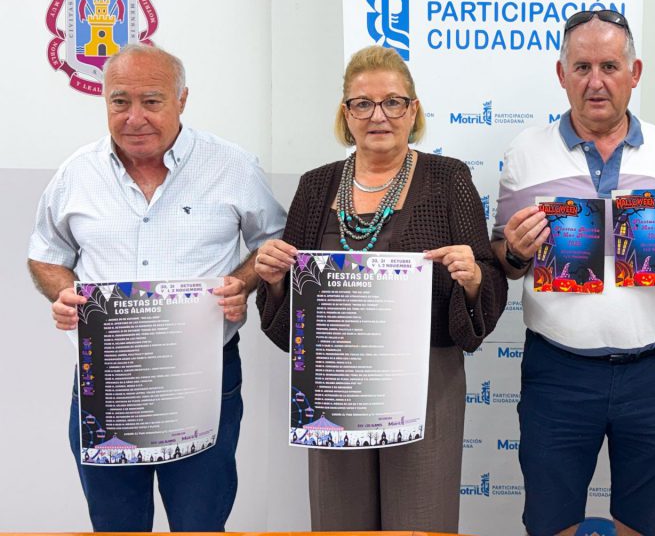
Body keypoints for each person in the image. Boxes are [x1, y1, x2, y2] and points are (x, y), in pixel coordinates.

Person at [27, 43, 286, 532]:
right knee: (115, 525)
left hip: (205, 374)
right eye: (120, 101)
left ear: (182, 100)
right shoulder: (76, 173)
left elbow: (271, 244)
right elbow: (45, 255)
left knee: (200, 524)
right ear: (104, 100)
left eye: (152, 101)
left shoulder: (232, 166)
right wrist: (63, 292)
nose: (135, 117)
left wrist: (243, 282)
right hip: (107, 378)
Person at [253, 44, 506, 531]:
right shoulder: (315, 186)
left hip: (426, 380)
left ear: (413, 110)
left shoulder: (448, 178)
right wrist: (276, 280)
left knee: (420, 521)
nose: (378, 115)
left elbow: (487, 276)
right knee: (339, 522)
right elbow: (289, 312)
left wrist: (474, 278)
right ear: (345, 114)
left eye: (393, 102)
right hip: (333, 383)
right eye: (362, 103)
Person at [492, 10, 655, 536]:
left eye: (610, 66)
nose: (596, 82)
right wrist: (517, 253)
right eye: (582, 67)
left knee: (647, 524)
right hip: (559, 372)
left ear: (634, 73)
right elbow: (503, 259)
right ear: (561, 74)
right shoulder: (524, 154)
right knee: (551, 522)